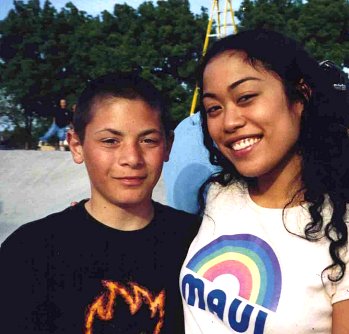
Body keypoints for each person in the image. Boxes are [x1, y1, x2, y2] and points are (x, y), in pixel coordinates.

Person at [179, 29, 349, 334]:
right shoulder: (220, 195)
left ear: (300, 95)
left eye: (245, 97)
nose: (229, 121)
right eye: (213, 108)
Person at [0, 71, 200, 333]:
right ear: (76, 145)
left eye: (148, 140)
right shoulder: (30, 252)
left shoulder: (197, 242)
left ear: (168, 146)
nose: (131, 158)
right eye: (110, 141)